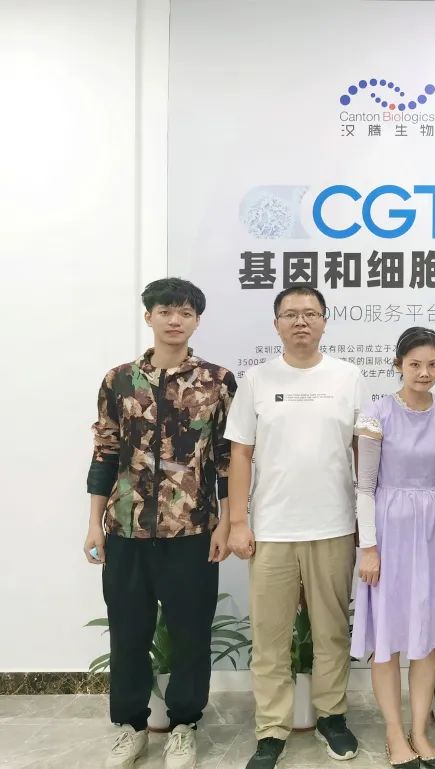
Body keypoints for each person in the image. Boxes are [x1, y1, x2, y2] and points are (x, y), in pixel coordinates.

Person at [84, 277, 235, 769]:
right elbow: (105, 451)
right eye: (166, 311)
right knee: (128, 631)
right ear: (148, 316)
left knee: (191, 632)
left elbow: (227, 459)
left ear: (197, 321)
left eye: (185, 312)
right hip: (125, 528)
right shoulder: (119, 381)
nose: (175, 320)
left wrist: (226, 522)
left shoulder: (218, 381)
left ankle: (184, 725)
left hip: (192, 529)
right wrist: (94, 523)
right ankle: (130, 727)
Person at [225, 286, 368, 769]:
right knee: (270, 638)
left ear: (325, 321)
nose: (301, 321)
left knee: (332, 632)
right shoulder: (256, 379)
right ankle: (271, 729)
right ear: (277, 324)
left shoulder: (348, 377)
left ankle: (332, 716)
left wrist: (366, 523)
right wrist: (238, 521)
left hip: (333, 525)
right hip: (272, 529)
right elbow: (240, 453)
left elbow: (363, 453)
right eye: (291, 314)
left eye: (310, 313)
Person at [352, 326, 435, 769]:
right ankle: (393, 733)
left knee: (427, 635)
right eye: (415, 364)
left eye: (432, 364)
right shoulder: (376, 413)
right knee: (389, 636)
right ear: (398, 364)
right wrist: (368, 547)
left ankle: (419, 731)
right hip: (390, 530)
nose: (424, 372)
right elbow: (364, 488)